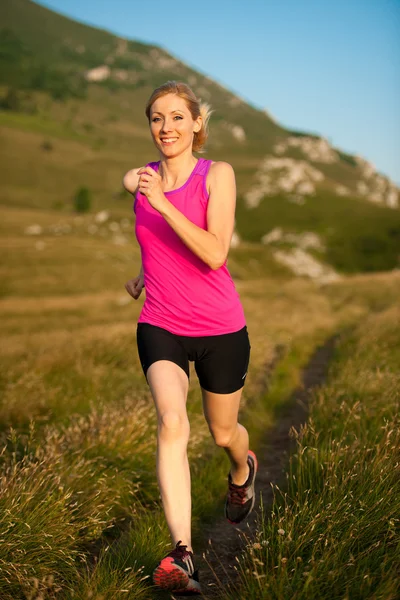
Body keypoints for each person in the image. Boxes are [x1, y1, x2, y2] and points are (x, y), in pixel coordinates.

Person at [123, 81, 257, 596]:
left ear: (197, 124)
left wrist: (163, 202)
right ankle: (183, 555)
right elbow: (152, 234)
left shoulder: (216, 175)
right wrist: (143, 269)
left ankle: (243, 471)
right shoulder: (143, 181)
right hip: (160, 323)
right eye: (156, 119)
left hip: (221, 327)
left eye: (178, 118)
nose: (166, 128)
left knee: (225, 435)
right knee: (171, 420)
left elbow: (215, 253)